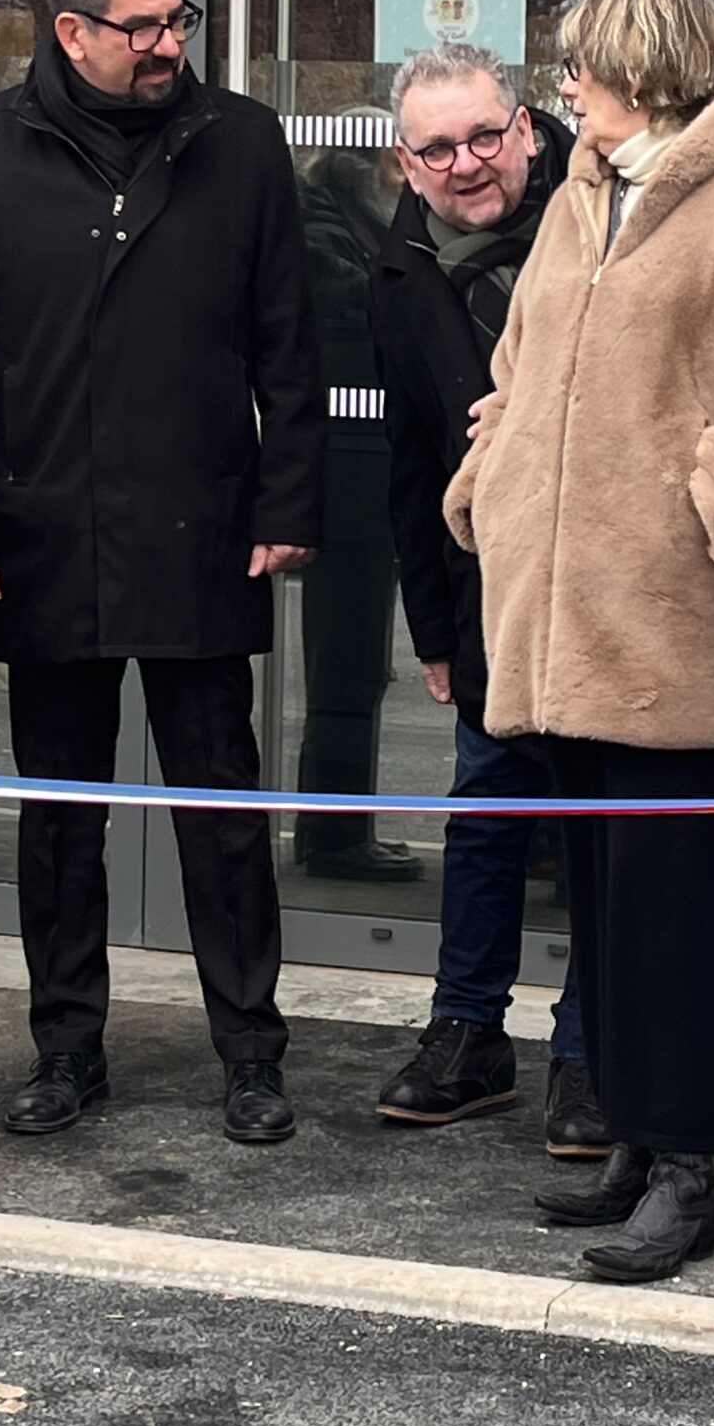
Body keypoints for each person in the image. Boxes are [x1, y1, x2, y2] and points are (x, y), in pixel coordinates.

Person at [445, 0, 714, 1283]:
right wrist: (491, 481)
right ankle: (630, 1130)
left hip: (678, 621)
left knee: (681, 913)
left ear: (646, 67)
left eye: (581, 67)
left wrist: (710, 504)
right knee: (607, 902)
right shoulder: (582, 192)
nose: (565, 89)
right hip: (565, 618)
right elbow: (520, 368)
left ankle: (689, 1167)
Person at [0, 0, 323, 1146]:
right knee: (58, 818)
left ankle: (252, 1051)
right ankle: (65, 1048)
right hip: (43, 536)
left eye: (176, 20)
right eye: (141, 26)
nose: (166, 45)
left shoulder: (241, 141)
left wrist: (289, 501)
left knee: (224, 811)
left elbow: (291, 343)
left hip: (205, 528)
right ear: (71, 30)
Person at [370, 41, 604, 1157]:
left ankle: (590, 1052)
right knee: (486, 815)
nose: (466, 164)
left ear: (525, 128)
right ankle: (467, 1034)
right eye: (437, 149)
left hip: (606, 580)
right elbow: (413, 462)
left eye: (483, 137)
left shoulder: (601, 216)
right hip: (486, 592)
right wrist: (433, 628)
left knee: (599, 827)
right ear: (404, 162)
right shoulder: (398, 269)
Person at [291, 124, 420, 886]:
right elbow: (360, 308)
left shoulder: (352, 222)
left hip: (366, 457)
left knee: (357, 658)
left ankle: (338, 829)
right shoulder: (321, 228)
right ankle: (333, 834)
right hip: (346, 461)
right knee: (346, 658)